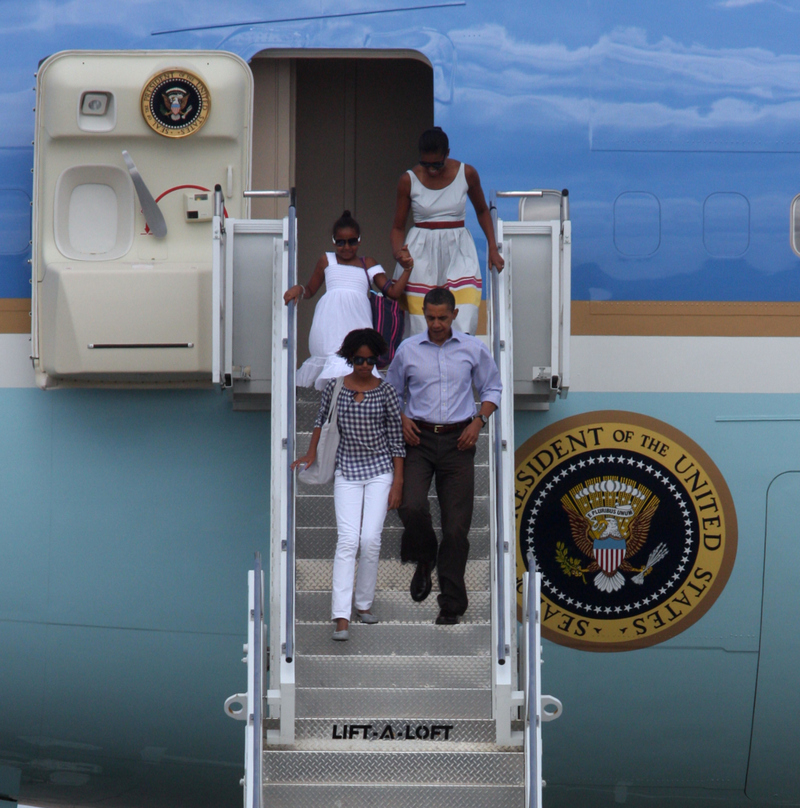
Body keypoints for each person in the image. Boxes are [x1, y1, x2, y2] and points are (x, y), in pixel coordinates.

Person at [385, 287, 501, 624]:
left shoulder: (472, 348)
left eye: (442, 318)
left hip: (458, 443)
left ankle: (451, 603)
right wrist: (403, 417)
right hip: (418, 440)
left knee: (455, 528)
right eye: (430, 317)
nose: (436, 324)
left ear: (454, 316)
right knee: (410, 505)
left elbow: (492, 387)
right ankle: (424, 557)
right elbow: (392, 392)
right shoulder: (408, 350)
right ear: (424, 314)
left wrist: (479, 422)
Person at [292, 329, 405, 641]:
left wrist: (398, 482)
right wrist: (311, 453)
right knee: (347, 541)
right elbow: (321, 422)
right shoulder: (336, 387)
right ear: (349, 358)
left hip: (380, 470)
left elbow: (397, 440)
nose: (365, 366)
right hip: (347, 469)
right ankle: (341, 616)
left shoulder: (387, 391)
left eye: (371, 360)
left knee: (370, 539)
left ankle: (364, 605)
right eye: (359, 360)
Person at [390, 127, 504, 338]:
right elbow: (397, 227)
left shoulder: (466, 173)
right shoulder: (408, 179)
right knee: (420, 321)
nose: (432, 169)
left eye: (437, 164)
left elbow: (482, 211)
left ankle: (461, 365)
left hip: (458, 249)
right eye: (426, 164)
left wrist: (492, 248)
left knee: (464, 314)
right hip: (420, 254)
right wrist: (399, 253)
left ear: (448, 153)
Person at [285, 210, 413, 390]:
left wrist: (407, 270)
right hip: (329, 323)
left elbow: (392, 292)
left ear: (359, 240)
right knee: (331, 366)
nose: (346, 247)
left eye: (352, 241)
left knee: (358, 364)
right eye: (341, 242)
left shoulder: (367, 262)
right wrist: (299, 288)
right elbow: (310, 290)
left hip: (357, 323)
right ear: (333, 240)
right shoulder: (326, 260)